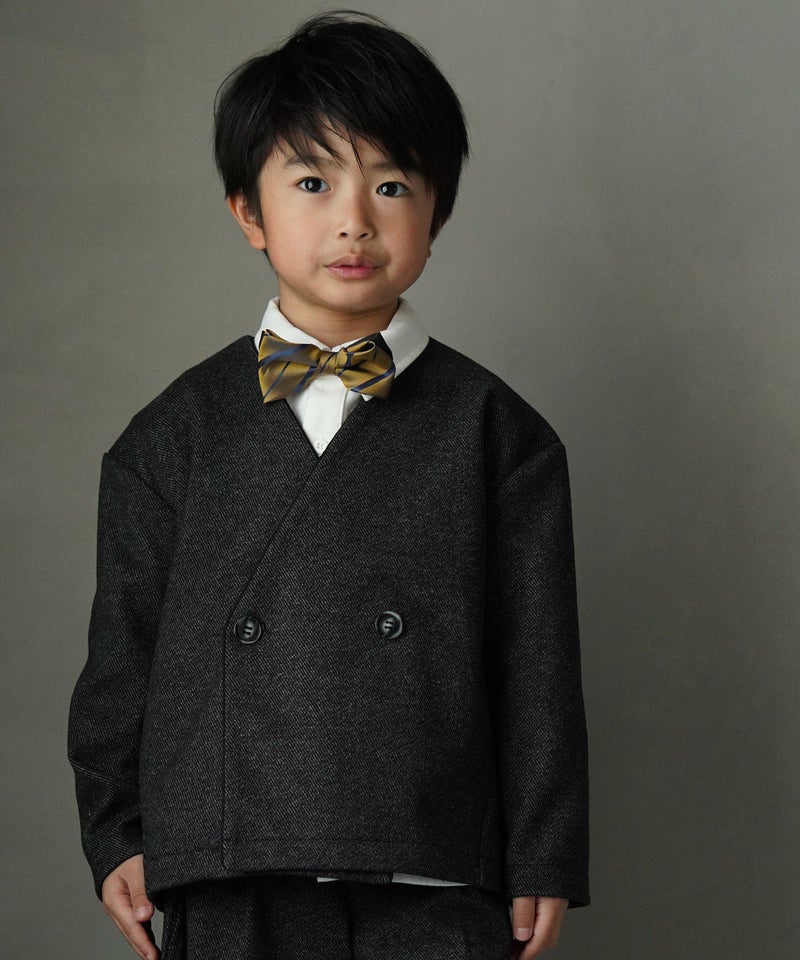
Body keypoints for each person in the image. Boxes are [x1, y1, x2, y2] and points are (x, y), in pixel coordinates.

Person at [67, 10, 590, 960]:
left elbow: (538, 669)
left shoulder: (500, 433)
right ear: (248, 212)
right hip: (232, 856)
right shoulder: (170, 435)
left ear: (436, 214)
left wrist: (543, 851)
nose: (355, 220)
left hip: (433, 856)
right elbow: (122, 660)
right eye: (312, 182)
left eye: (392, 185)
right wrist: (116, 831)